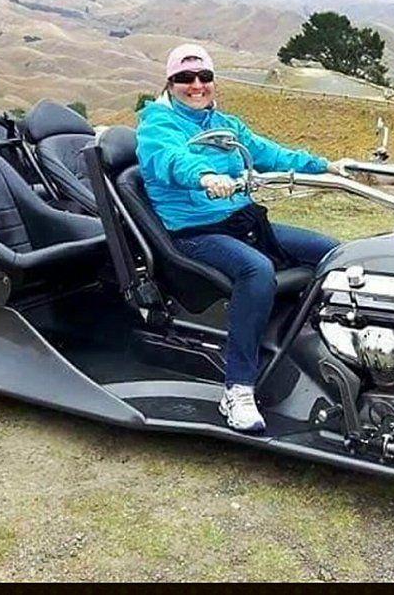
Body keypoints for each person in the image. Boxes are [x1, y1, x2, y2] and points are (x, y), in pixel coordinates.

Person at [136, 44, 353, 432]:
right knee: (257, 269)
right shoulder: (157, 125)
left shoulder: (225, 125)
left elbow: (269, 153)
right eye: (185, 78)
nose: (196, 85)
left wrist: (326, 166)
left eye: (204, 77)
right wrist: (206, 177)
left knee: (332, 252)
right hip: (194, 232)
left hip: (242, 222)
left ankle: (317, 343)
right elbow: (171, 159)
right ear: (169, 83)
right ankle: (237, 388)